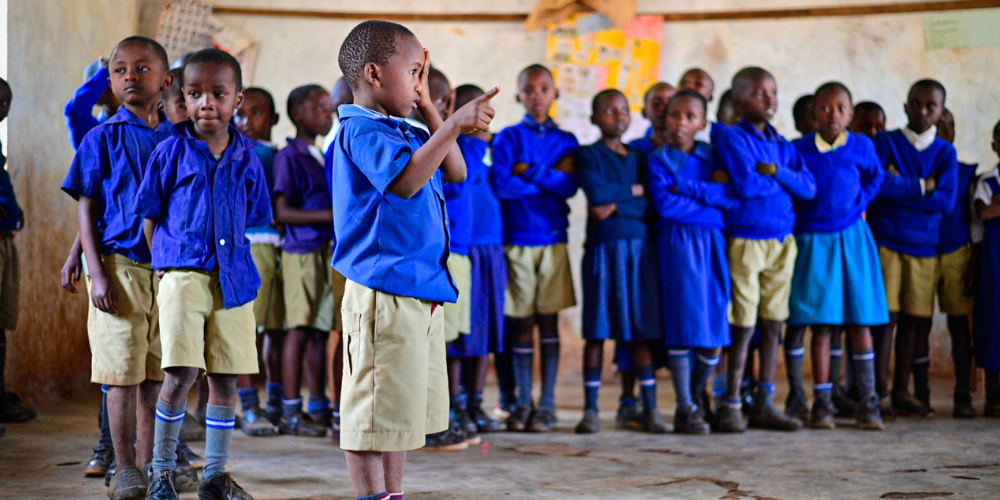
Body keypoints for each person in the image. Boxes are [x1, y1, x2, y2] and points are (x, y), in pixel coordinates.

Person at [329, 20, 499, 500]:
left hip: (417, 287)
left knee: (397, 414)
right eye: (414, 73)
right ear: (374, 74)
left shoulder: (405, 126)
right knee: (370, 413)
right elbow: (404, 183)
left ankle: (392, 495)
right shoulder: (360, 129)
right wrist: (450, 123)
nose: (420, 83)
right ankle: (372, 496)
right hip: (382, 289)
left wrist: (429, 108)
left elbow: (458, 170)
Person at [138, 48, 271, 500]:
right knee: (180, 373)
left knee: (227, 377)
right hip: (182, 273)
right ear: (182, 97)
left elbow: (254, 212)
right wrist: (162, 268)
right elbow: (150, 215)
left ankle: (215, 475)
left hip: (234, 279)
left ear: (238, 98)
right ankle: (161, 472)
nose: (206, 104)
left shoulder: (249, 158)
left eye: (219, 94)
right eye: (195, 94)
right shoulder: (170, 152)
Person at [60, 37, 173, 500]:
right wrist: (94, 269)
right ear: (109, 82)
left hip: (167, 272)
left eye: (142, 68)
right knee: (120, 373)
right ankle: (124, 467)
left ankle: (149, 466)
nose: (130, 76)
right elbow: (89, 207)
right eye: (120, 70)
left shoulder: (176, 139)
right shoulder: (101, 137)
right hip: (118, 265)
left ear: (166, 81)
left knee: (154, 373)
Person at [713, 67, 816, 433]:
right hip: (747, 239)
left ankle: (764, 403)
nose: (770, 100)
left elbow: (808, 188)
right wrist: (779, 181)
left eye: (773, 92)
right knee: (743, 323)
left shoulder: (783, 146)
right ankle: (730, 403)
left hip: (782, 241)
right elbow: (745, 185)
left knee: (774, 322)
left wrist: (776, 173)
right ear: (739, 102)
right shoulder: (731, 138)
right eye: (760, 94)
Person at [788, 82, 887, 430]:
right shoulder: (798, 149)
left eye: (841, 108)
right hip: (815, 242)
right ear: (813, 113)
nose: (834, 115)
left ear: (851, 114)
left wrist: (860, 204)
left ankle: (868, 401)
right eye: (825, 108)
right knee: (823, 324)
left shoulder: (861, 145)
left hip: (853, 238)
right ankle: (823, 402)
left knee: (860, 322)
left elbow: (876, 178)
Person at [492, 64, 578, 433]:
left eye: (545, 89)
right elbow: (502, 185)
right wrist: (547, 180)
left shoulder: (568, 141)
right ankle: (523, 401)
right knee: (522, 323)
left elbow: (570, 186)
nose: (537, 96)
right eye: (529, 89)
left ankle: (548, 403)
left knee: (549, 323)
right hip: (518, 240)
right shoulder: (508, 139)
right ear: (519, 96)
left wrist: (530, 172)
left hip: (553, 240)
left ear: (555, 93)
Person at [574, 89, 665, 434]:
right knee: (597, 331)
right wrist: (633, 192)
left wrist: (617, 204)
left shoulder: (641, 157)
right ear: (595, 118)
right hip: (603, 250)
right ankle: (591, 409)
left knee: (641, 330)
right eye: (610, 111)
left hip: (640, 252)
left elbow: (651, 203)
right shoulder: (587, 155)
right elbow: (596, 199)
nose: (619, 116)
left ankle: (651, 407)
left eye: (624, 110)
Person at [867, 79, 957, 420]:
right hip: (887, 242)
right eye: (915, 104)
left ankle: (902, 391)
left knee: (913, 323)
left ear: (940, 112)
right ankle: (880, 393)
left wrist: (901, 187)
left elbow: (946, 202)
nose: (922, 111)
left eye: (930, 106)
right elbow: (878, 188)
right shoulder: (886, 141)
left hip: (923, 248)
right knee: (884, 321)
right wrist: (923, 186)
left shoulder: (945, 152)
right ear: (905, 106)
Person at [649, 90, 735, 434]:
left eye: (689, 117)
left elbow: (729, 196)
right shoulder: (659, 159)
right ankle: (685, 406)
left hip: (713, 242)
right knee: (683, 323)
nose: (680, 123)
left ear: (702, 122)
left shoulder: (714, 156)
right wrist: (707, 198)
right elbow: (666, 207)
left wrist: (687, 188)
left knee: (714, 324)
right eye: (674, 115)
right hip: (678, 244)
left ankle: (697, 397)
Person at [273, 84, 336, 438]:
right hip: (300, 252)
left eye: (329, 108)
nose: (327, 114)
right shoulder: (290, 157)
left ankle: (317, 404)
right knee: (298, 329)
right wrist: (332, 215)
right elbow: (282, 210)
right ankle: (291, 409)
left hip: (325, 249)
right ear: (298, 114)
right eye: (320, 108)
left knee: (318, 330)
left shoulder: (323, 155)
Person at [449, 84, 506, 435]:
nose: (484, 117)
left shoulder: (495, 149)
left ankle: (476, 400)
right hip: (464, 249)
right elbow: (459, 181)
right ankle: (455, 403)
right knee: (460, 334)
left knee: (485, 332)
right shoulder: (460, 146)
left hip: (492, 249)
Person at [233, 86, 283, 436]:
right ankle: (250, 406)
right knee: (248, 330)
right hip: (251, 244)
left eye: (256, 113)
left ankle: (276, 402)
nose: (246, 121)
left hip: (279, 249)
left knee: (273, 329)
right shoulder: (237, 153)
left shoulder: (275, 154)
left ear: (273, 119)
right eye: (240, 114)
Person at [932, 108, 978, 418]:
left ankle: (963, 392)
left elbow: (975, 221)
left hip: (957, 252)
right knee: (915, 323)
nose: (942, 131)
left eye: (948, 125)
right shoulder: (917, 169)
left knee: (959, 323)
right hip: (921, 249)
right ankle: (916, 391)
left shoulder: (967, 173)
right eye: (937, 127)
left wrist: (974, 258)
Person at [0, 77, 29, 438]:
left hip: (5, 239)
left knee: (2, 320)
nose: (1, 108)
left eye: (5, 102)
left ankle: (0, 396)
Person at [972, 119, 1000, 418]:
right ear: (994, 145)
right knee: (994, 324)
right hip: (994, 262)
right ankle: (994, 395)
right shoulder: (988, 180)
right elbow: (985, 211)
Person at [64, 58, 123, 149]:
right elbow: (76, 110)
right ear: (98, 96)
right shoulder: (93, 135)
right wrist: (105, 72)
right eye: (115, 83)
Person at [630, 82, 675, 153]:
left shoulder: (689, 148)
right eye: (656, 103)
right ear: (644, 112)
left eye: (670, 103)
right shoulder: (633, 149)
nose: (663, 108)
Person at [678, 68, 716, 142]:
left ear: (710, 97)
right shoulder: (662, 125)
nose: (689, 86)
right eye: (684, 82)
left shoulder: (717, 131)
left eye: (698, 84)